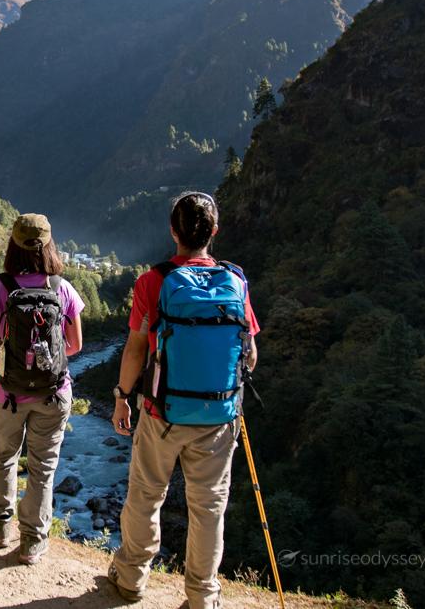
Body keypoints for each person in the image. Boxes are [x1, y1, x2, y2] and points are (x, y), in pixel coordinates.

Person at [107, 192, 259, 608]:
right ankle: (202, 596)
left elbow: (137, 348)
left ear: (173, 231)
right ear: (214, 232)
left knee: (145, 496)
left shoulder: (152, 282)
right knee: (209, 507)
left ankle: (132, 579)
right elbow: (250, 352)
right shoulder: (236, 281)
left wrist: (122, 397)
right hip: (219, 416)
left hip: (161, 413)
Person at [0, 213, 84, 565]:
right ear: (48, 245)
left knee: (4, 459)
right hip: (54, 392)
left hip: (8, 394)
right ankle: (32, 541)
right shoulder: (62, 287)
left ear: (13, 243)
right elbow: (75, 345)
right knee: (43, 466)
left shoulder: (0, 286)